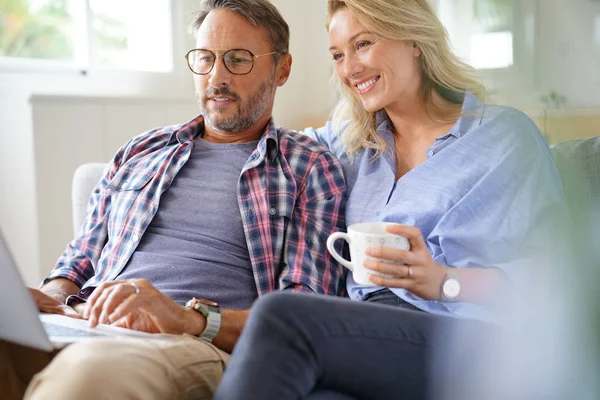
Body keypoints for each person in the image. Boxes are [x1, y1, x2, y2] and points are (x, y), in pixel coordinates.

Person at [213, 0, 570, 399]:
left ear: (413, 38)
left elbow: (554, 279)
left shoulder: (505, 137)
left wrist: (442, 281)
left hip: (466, 340)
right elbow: (269, 149)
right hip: (365, 333)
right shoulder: (350, 145)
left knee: (280, 315)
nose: (349, 69)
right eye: (337, 55)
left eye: (363, 44)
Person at [0, 1, 347, 399]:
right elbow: (82, 256)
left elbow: (301, 317)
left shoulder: (308, 168)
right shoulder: (142, 149)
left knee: (91, 374)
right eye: (205, 59)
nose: (216, 77)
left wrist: (188, 318)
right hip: (85, 322)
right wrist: (49, 300)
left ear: (281, 69)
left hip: (187, 343)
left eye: (238, 60)